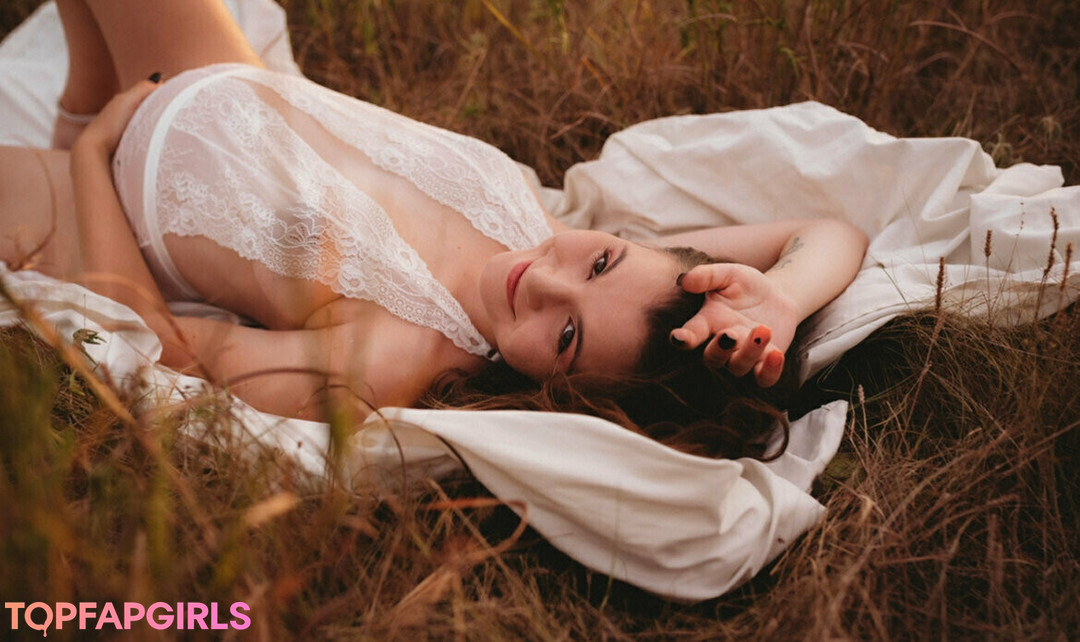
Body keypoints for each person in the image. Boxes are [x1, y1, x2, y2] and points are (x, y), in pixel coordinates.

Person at [0, 0, 866, 451]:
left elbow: (166, 353)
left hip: (94, 201)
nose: (544, 279)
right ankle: (77, 102)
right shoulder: (557, 239)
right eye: (600, 262)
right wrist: (781, 299)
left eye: (565, 335)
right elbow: (830, 232)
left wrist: (94, 153)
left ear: (559, 394)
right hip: (205, 74)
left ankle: (76, 127)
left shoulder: (400, 357)